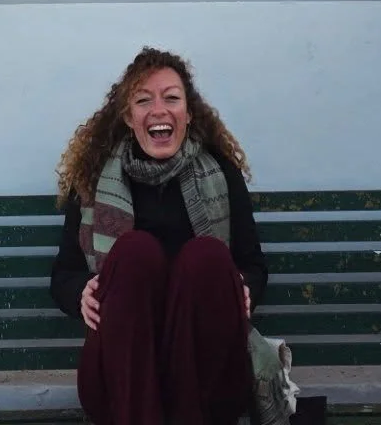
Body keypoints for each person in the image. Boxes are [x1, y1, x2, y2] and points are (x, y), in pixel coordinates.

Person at [50, 47, 294, 425]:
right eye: (143, 100)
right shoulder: (94, 181)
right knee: (135, 252)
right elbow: (63, 276)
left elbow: (253, 265)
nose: (159, 110)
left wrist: (244, 287)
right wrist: (79, 292)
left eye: (172, 98)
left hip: (207, 371)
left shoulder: (222, 175)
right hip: (122, 375)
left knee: (207, 258)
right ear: (129, 117)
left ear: (188, 113)